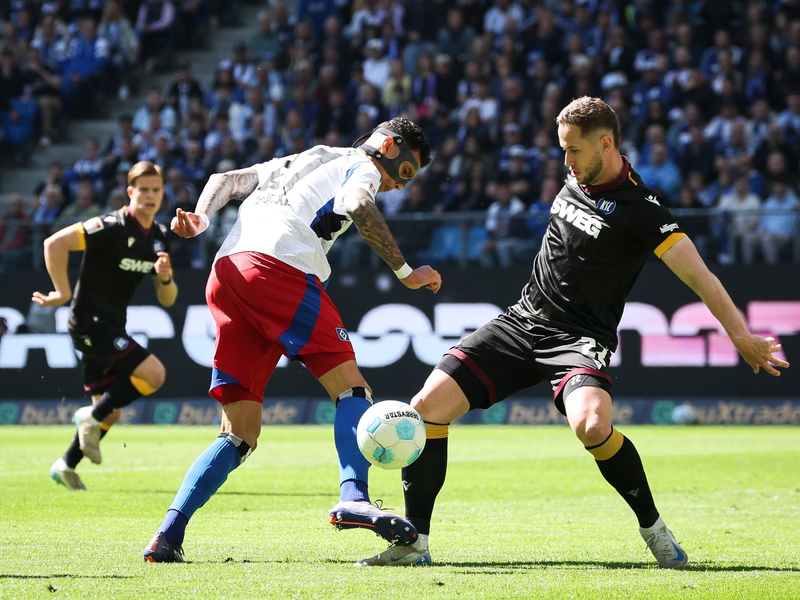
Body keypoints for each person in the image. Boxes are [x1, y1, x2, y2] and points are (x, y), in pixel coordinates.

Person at [358, 97, 790, 569]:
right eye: (562, 150)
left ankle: (655, 530)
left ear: (605, 144)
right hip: (521, 322)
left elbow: (701, 277)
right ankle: (414, 543)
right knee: (425, 408)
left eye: (573, 151)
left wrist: (741, 336)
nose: (565, 162)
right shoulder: (577, 175)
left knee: (592, 426)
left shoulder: (644, 210)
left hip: (579, 340)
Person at [143, 117, 440, 563]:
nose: (398, 186)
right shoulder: (361, 165)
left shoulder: (306, 157)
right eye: (405, 173)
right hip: (279, 267)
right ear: (389, 147)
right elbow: (359, 203)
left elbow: (225, 179)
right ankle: (354, 496)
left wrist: (203, 218)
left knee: (239, 432)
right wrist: (406, 272)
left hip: (227, 274)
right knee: (353, 389)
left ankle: (167, 536)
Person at [33, 161, 178, 491]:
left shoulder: (158, 238)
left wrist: (165, 276)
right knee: (153, 374)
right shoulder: (111, 225)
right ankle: (89, 417)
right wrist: (62, 292)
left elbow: (167, 299)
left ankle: (66, 464)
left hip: (112, 324)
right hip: (88, 322)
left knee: (108, 412)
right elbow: (54, 244)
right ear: (131, 192)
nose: (151, 196)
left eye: (157, 190)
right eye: (144, 190)